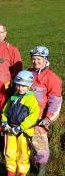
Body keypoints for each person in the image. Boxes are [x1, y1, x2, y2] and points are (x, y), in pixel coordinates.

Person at [28, 46, 63, 176]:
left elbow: (56, 101)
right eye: (33, 59)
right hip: (26, 118)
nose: (35, 61)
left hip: (40, 119)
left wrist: (48, 118)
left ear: (45, 60)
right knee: (26, 144)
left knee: (40, 145)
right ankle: (26, 166)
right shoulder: (28, 74)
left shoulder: (53, 78)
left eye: (38, 59)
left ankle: (41, 170)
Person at [1, 71, 40, 176]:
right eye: (18, 85)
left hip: (24, 131)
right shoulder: (14, 97)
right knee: (9, 152)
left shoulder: (31, 99)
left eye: (24, 86)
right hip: (10, 129)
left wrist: (21, 127)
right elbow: (5, 110)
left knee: (23, 153)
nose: (20, 88)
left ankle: (21, 173)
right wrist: (4, 122)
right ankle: (11, 172)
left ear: (29, 86)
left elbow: (33, 116)